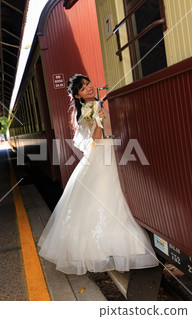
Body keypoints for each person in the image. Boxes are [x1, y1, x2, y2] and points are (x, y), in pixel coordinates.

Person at [38, 74, 158, 275]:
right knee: (109, 195)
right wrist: (97, 121)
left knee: (111, 196)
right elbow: (95, 138)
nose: (89, 88)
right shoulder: (88, 109)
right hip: (103, 153)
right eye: (83, 89)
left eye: (88, 84)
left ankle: (111, 244)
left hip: (111, 150)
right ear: (77, 96)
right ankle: (110, 246)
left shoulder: (96, 103)